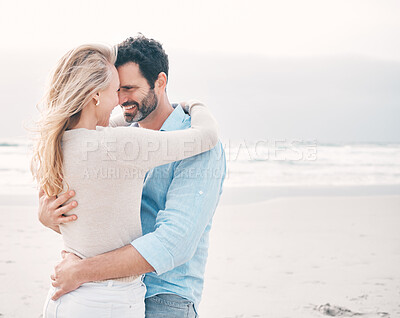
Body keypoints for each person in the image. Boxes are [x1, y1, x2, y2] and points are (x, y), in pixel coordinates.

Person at [38, 35, 226, 318]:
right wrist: (47, 216)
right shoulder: (117, 139)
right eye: (116, 89)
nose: (120, 100)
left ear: (160, 83)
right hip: (107, 295)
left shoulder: (198, 150)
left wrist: (80, 271)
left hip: (163, 296)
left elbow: (175, 242)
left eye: (128, 88)